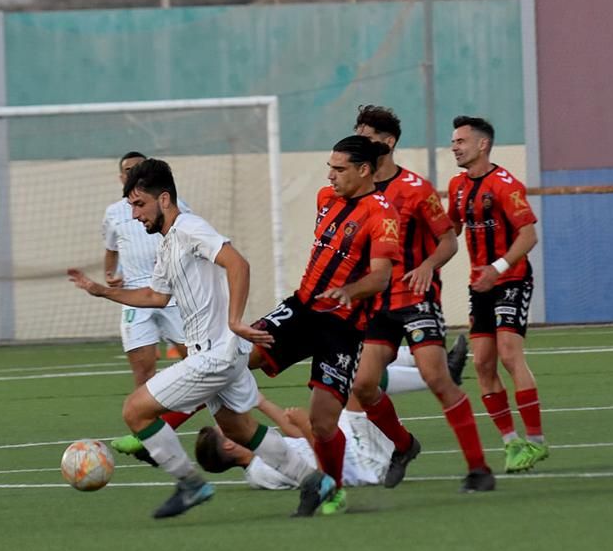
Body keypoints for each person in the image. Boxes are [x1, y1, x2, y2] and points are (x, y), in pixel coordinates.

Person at [68, 158, 335, 519]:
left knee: (135, 411)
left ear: (164, 199)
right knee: (238, 429)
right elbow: (155, 297)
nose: (134, 216)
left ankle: (191, 484)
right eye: (131, 206)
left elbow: (238, 263)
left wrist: (235, 320)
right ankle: (315, 482)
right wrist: (101, 291)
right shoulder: (168, 244)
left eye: (139, 204)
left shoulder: (191, 228)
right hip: (215, 351)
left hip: (217, 354)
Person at [248, 136, 401, 515]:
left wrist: (349, 290)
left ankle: (332, 490)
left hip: (342, 327)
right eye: (329, 167)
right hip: (301, 308)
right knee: (238, 355)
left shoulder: (383, 216)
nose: (330, 176)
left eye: (339, 169)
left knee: (322, 421)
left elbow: (381, 278)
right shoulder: (325, 198)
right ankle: (162, 419)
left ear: (364, 170)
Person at [352, 106, 495, 494]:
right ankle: (404, 445)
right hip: (376, 304)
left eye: (367, 135)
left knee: (436, 377)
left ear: (388, 142)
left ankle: (479, 469)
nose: (360, 142)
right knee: (363, 385)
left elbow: (448, 240)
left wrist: (429, 266)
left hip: (414, 298)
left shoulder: (416, 189)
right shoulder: (356, 191)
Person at [448, 116, 548, 474]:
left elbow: (528, 236)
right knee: (482, 363)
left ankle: (535, 441)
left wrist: (499, 268)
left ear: (482, 145)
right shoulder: (457, 187)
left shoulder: (506, 184)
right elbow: (450, 231)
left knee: (508, 354)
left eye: (461, 140)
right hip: (481, 286)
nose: (455, 146)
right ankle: (512, 444)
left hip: (511, 279)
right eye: (454, 141)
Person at [100, 152, 194, 460]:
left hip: (172, 294)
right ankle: (150, 437)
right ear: (120, 177)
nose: (131, 175)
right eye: (126, 171)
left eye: (136, 170)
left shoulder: (175, 210)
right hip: (136, 297)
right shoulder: (114, 213)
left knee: (196, 361)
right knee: (143, 372)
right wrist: (110, 274)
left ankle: (220, 418)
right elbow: (111, 249)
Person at [195, 394, 393, 489]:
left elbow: (296, 440)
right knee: (359, 382)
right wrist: (307, 425)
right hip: (366, 462)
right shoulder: (263, 470)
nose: (234, 424)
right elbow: (321, 472)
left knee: (334, 391)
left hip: (354, 452)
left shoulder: (262, 458)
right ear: (229, 444)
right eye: (226, 428)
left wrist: (261, 402)